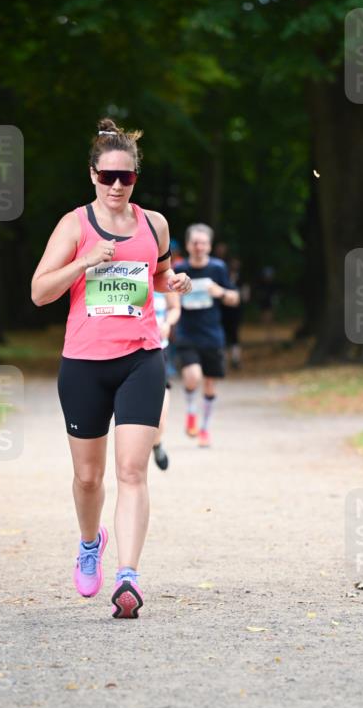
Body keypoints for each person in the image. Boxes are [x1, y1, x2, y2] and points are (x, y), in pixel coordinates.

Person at [30, 119, 191, 620]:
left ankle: (128, 576)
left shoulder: (155, 224)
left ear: (136, 178)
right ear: (93, 175)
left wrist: (174, 282)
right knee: (87, 478)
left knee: (132, 471)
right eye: (108, 177)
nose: (117, 186)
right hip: (83, 363)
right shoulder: (74, 225)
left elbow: (157, 275)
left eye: (127, 178)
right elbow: (40, 292)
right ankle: (88, 541)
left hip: (141, 358)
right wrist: (84, 263)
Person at [174, 224, 240, 447]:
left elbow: (235, 298)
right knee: (192, 376)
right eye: (195, 242)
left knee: (210, 384)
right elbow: (167, 296)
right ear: (188, 245)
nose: (199, 247)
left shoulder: (218, 268)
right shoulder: (179, 268)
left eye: (203, 243)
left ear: (209, 246)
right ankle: (191, 412)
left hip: (212, 334)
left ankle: (204, 429)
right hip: (187, 333)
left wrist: (219, 292)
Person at [152, 288, 181, 470]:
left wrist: (167, 324)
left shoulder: (164, 276)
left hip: (158, 351)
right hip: (126, 352)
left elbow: (175, 307)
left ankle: (157, 444)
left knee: (160, 418)